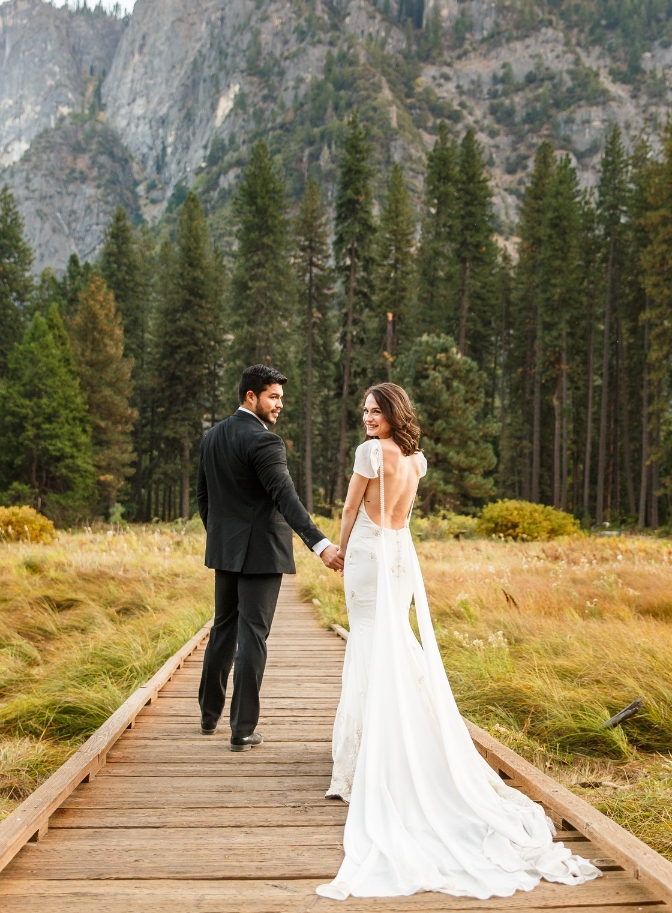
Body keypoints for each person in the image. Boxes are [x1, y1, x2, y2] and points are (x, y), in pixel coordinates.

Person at [317, 382, 600, 900]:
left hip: (369, 555)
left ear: (392, 413)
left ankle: (363, 763)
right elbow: (401, 518)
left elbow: (351, 507)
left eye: (375, 411)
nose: (367, 418)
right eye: (363, 412)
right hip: (401, 555)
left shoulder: (370, 454)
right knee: (396, 644)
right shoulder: (418, 461)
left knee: (369, 646)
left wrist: (340, 551)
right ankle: (410, 742)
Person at [196, 365, 343, 751]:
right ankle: (242, 730)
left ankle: (209, 715)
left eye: (280, 397)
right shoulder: (265, 442)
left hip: (225, 549)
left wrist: (222, 536)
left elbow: (203, 498)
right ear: (251, 397)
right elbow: (286, 498)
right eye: (273, 396)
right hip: (261, 552)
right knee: (253, 638)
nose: (279, 405)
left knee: (223, 629)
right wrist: (321, 544)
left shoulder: (211, 437)